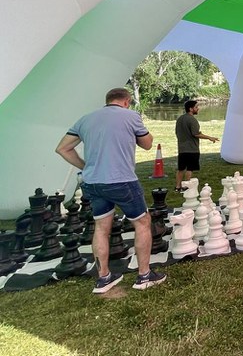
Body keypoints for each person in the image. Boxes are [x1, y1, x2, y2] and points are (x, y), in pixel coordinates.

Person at [54, 87, 166, 293]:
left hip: (93, 183)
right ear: (126, 101)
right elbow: (147, 144)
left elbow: (62, 148)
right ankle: (144, 275)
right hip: (122, 180)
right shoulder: (131, 116)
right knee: (142, 223)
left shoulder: (85, 119)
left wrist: (86, 166)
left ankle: (104, 278)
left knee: (101, 228)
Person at [174, 100, 219, 192]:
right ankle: (186, 187)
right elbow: (196, 134)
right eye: (196, 107)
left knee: (181, 169)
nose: (198, 109)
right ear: (191, 109)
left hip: (182, 149)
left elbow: (178, 132)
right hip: (192, 149)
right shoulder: (192, 120)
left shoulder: (180, 119)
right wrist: (209, 137)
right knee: (190, 169)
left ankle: (178, 187)